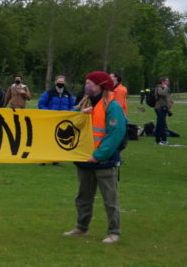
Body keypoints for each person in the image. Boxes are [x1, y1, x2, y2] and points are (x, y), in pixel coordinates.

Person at [63, 71, 126, 244]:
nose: (87, 86)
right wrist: (81, 115)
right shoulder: (87, 104)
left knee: (110, 199)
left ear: (101, 86)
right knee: (83, 197)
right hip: (84, 159)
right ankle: (81, 227)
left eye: (91, 83)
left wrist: (98, 155)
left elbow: (116, 134)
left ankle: (114, 232)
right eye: (87, 82)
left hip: (104, 161)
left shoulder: (112, 106)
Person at [37, 75, 76, 165]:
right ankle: (43, 159)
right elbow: (41, 104)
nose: (60, 84)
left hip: (63, 120)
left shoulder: (68, 94)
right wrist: (49, 112)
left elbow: (73, 106)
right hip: (51, 119)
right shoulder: (49, 93)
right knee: (47, 139)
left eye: (62, 82)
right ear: (55, 82)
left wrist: (68, 113)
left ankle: (55, 159)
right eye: (59, 82)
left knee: (58, 139)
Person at [153, 77, 173, 145]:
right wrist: (166, 87)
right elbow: (162, 94)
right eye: (167, 81)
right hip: (159, 109)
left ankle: (158, 140)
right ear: (163, 82)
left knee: (159, 125)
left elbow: (167, 97)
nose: (168, 83)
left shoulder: (164, 88)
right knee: (162, 125)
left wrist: (170, 102)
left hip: (163, 109)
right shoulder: (159, 88)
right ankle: (163, 140)